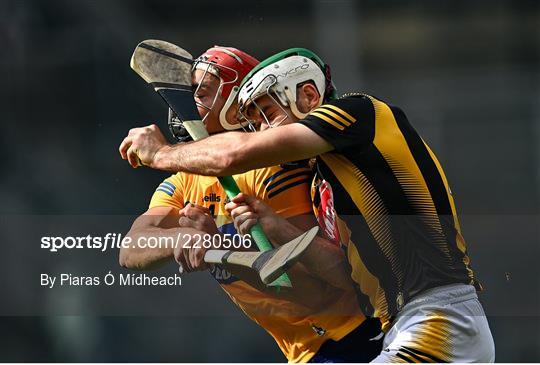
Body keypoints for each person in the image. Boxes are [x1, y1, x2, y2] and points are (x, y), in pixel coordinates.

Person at [119, 47, 495, 362]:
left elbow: (231, 156)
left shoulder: (357, 112)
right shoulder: (327, 183)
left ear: (310, 97)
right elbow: (343, 270)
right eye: (255, 121)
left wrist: (162, 153)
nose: (263, 130)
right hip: (404, 323)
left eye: (267, 113)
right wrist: (251, 234)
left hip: (438, 319)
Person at [119, 46, 382, 363]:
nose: (184, 103)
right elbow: (131, 248)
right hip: (307, 352)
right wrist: (182, 238)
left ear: (237, 104)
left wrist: (222, 252)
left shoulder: (277, 169)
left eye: (201, 92)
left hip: (354, 338)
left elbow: (316, 293)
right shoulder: (184, 181)